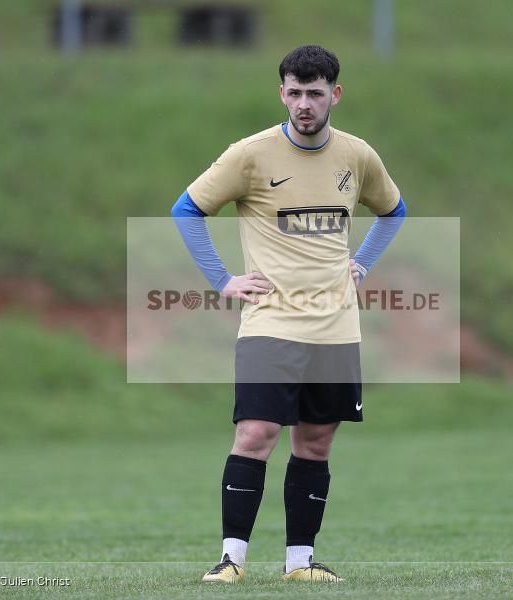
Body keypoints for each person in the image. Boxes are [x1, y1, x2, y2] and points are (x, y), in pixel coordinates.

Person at [171, 45, 406, 583]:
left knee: (316, 441)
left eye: (315, 93)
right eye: (294, 93)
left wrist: (362, 263)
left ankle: (300, 564)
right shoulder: (249, 155)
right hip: (271, 322)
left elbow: (394, 210)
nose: (304, 104)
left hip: (336, 326)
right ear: (282, 93)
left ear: (334, 95)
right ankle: (231, 561)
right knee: (255, 434)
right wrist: (223, 280)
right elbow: (186, 209)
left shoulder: (357, 156)